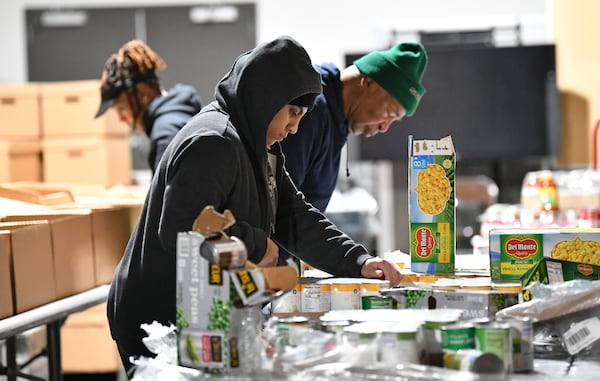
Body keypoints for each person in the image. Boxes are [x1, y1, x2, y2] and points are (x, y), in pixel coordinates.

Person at [106, 35, 403, 376]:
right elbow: (180, 228)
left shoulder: (260, 145)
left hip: (204, 312)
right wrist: (255, 241)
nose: (294, 128)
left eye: (302, 117)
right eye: (292, 113)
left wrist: (357, 261)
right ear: (266, 97)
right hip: (158, 319)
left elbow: (294, 215)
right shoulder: (213, 142)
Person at [280, 42, 428, 214]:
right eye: (389, 113)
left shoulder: (334, 123)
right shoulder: (310, 109)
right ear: (369, 83)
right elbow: (281, 208)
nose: (384, 127)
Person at [94, 39, 203, 172]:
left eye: (121, 109)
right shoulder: (181, 117)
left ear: (142, 92)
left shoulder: (166, 133)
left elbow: (172, 193)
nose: (121, 119)